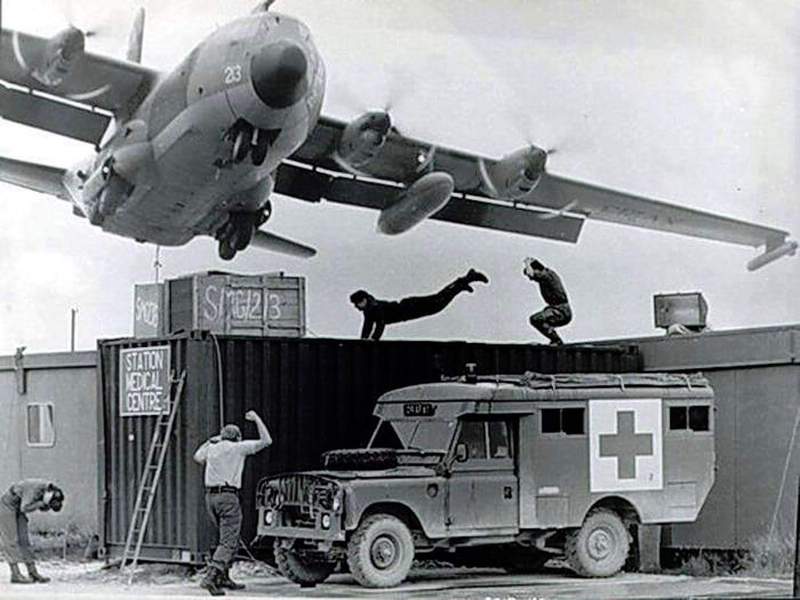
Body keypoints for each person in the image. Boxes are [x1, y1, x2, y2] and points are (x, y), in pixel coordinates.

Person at [193, 411, 272, 596]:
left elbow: (197, 457)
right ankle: (211, 577)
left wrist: (212, 440)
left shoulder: (212, 448)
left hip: (210, 498)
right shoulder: (238, 448)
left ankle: (223, 577)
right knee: (229, 541)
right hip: (228, 497)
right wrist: (257, 419)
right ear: (237, 437)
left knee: (227, 538)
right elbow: (266, 440)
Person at [350, 268, 489, 340]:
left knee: (439, 302)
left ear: (364, 300)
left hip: (412, 308)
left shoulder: (374, 308)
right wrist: (363, 340)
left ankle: (465, 280)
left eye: (357, 304)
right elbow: (367, 326)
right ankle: (462, 283)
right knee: (439, 300)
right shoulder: (369, 309)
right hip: (411, 308)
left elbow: (380, 323)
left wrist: (373, 340)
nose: (356, 307)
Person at [0, 479, 64, 584]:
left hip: (18, 506)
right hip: (7, 505)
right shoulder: (34, 488)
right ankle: (15, 574)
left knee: (24, 540)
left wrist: (44, 505)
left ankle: (33, 572)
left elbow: (33, 507)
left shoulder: (46, 491)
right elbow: (25, 507)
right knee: (10, 540)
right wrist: (40, 503)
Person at [523, 257, 572, 345]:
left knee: (536, 319)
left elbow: (532, 274)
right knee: (539, 320)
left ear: (537, 270)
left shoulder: (546, 275)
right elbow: (535, 270)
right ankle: (554, 338)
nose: (530, 279)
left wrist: (527, 263)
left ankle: (556, 340)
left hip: (561, 311)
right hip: (558, 309)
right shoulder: (548, 274)